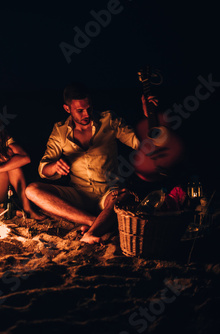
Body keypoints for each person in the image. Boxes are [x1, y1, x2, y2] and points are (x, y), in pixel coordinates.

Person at [25, 82, 154, 243]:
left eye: (89, 108)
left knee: (125, 196)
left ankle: (91, 232)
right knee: (32, 190)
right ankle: (94, 221)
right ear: (67, 109)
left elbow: (143, 144)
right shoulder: (60, 131)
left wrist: (150, 118)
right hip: (79, 194)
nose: (86, 114)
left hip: (109, 192)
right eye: (80, 110)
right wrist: (54, 167)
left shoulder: (109, 120)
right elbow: (43, 169)